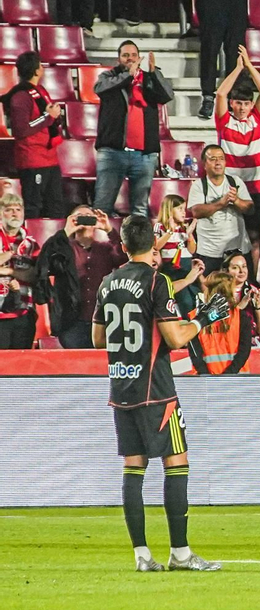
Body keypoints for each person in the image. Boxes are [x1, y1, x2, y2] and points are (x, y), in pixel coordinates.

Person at [95, 214, 230, 571]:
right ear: (152, 246)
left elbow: (97, 338)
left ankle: (141, 556)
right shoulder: (157, 282)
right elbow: (174, 338)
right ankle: (181, 554)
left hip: (121, 386)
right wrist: (203, 318)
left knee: (133, 467)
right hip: (156, 388)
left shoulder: (107, 283)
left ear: (124, 246)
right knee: (176, 461)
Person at [94, 42, 172, 217]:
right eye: (125, 55)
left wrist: (154, 73)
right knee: (102, 207)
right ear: (118, 58)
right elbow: (99, 89)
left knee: (140, 209)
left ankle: (138, 244)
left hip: (144, 155)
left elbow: (167, 95)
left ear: (139, 57)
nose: (130, 59)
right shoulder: (109, 76)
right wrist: (128, 76)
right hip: (113, 152)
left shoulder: (148, 78)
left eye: (133, 55)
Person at [40, 208, 121, 347]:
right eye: (80, 216)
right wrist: (65, 232)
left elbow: (126, 257)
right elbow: (45, 261)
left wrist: (109, 230)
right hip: (72, 323)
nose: (84, 219)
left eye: (89, 216)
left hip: (102, 321)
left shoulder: (105, 249)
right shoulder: (63, 249)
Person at [213, 49, 260, 237]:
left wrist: (249, 66)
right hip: (231, 186)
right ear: (232, 103)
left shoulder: (256, 118)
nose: (242, 107)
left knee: (253, 237)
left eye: (247, 104)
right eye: (239, 103)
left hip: (256, 185)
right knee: (230, 237)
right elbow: (221, 94)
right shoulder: (224, 120)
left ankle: (252, 268)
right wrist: (238, 68)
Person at [4, 52, 66, 218]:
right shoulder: (20, 96)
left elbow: (48, 118)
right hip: (32, 160)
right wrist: (48, 117)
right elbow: (21, 130)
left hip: (50, 158)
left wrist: (55, 116)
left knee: (56, 207)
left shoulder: (40, 90)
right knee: (34, 208)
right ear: (37, 70)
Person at [188, 146, 253, 274]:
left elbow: (250, 209)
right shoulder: (199, 185)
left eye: (221, 159)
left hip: (237, 252)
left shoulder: (235, 182)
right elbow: (196, 211)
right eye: (212, 159)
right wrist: (220, 204)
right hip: (210, 252)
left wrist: (237, 201)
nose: (218, 163)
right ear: (205, 164)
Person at [0, 194, 42, 348]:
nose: (14, 213)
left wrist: (9, 271)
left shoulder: (30, 243)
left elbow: (34, 275)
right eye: (8, 210)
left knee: (21, 364)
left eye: (18, 209)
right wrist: (10, 254)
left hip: (23, 312)